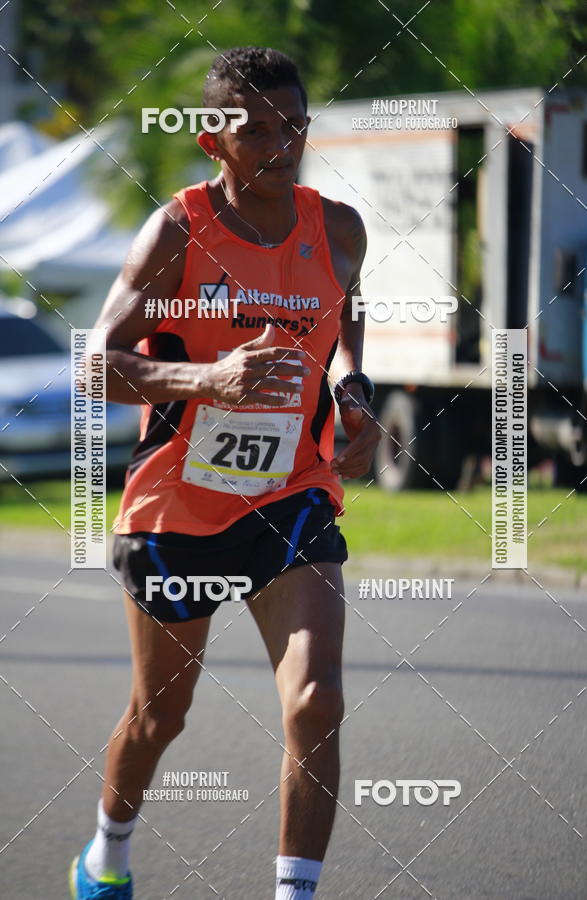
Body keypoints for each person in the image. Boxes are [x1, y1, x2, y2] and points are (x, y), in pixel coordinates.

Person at [69, 45, 380, 900]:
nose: (283, 144)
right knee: (161, 715)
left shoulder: (338, 228)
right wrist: (208, 380)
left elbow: (344, 308)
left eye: (295, 125)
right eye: (259, 130)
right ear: (215, 142)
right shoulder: (179, 230)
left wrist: (354, 393)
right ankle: (107, 851)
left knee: (316, 701)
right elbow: (97, 364)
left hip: (292, 493)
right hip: (178, 507)